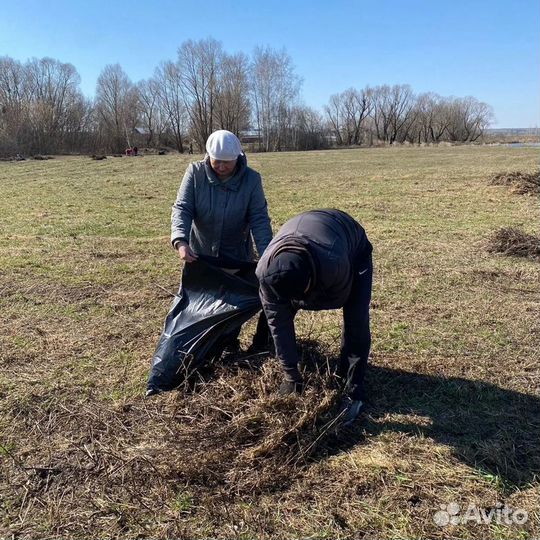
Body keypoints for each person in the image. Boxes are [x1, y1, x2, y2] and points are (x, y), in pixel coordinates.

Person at [256, 209, 373, 425]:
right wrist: (291, 375)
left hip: (351, 244)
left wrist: (301, 301)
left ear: (311, 280)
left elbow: (339, 299)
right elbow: (277, 319)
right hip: (309, 234)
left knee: (356, 320)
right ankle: (260, 350)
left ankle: (352, 392)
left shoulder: (334, 266)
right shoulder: (265, 271)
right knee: (274, 312)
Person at [171, 129, 273, 352]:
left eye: (228, 162)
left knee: (230, 304)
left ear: (238, 157)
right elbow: (183, 208)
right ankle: (195, 349)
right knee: (197, 304)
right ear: (208, 157)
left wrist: (267, 255)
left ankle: (227, 344)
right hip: (200, 255)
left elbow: (259, 219)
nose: (223, 167)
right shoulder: (195, 173)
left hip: (234, 255)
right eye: (218, 162)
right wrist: (180, 241)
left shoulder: (252, 180)